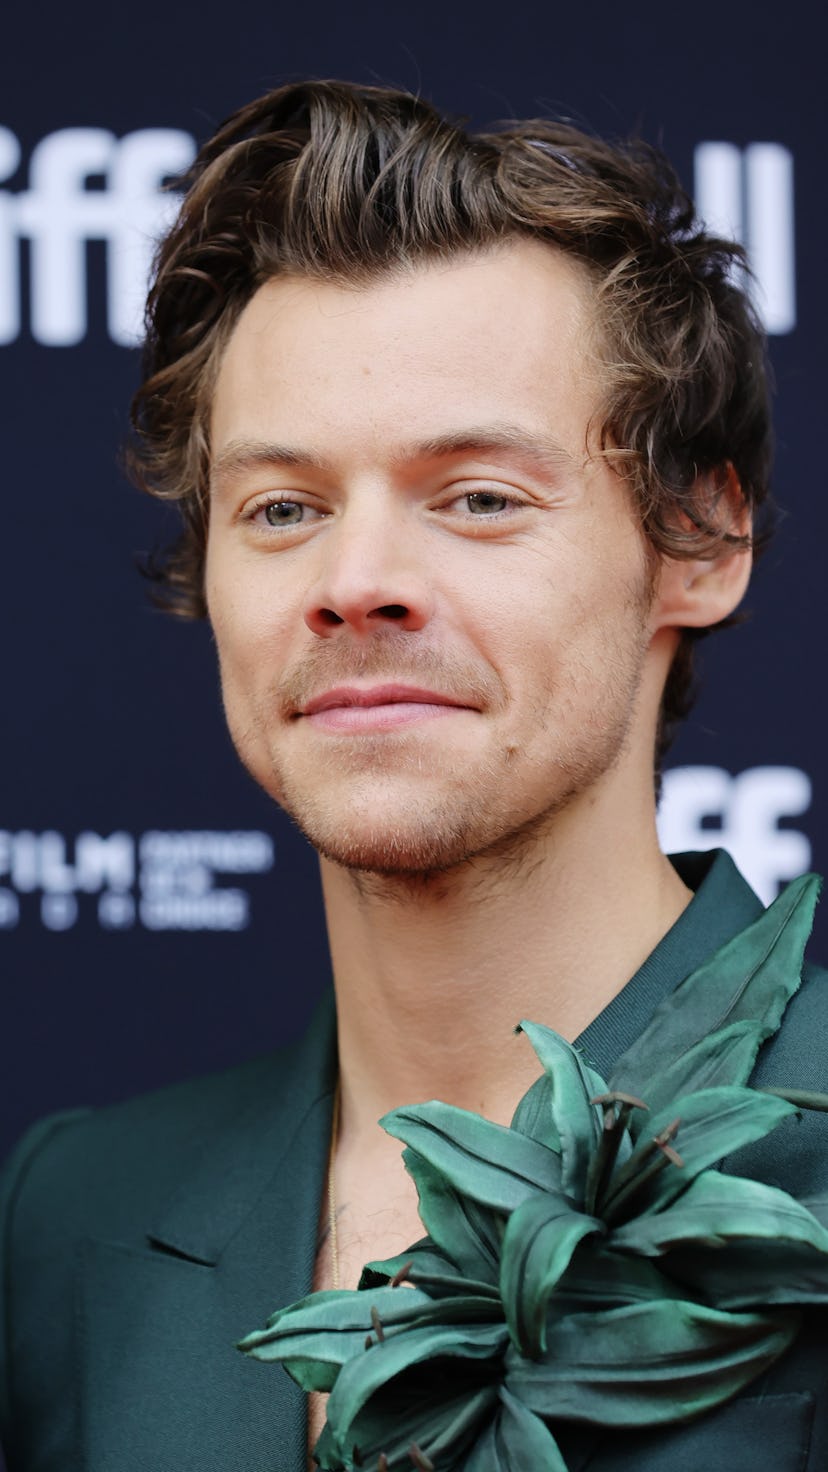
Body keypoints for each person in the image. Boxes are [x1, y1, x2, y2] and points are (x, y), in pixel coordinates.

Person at [1, 79, 826, 1472]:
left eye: (479, 497)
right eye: (283, 509)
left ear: (696, 540)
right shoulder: (68, 1211)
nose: (358, 582)